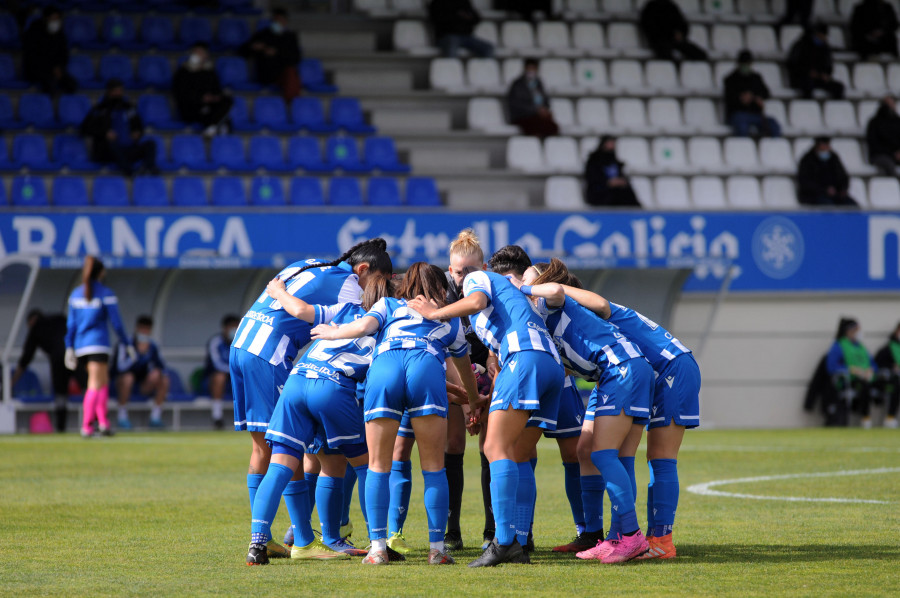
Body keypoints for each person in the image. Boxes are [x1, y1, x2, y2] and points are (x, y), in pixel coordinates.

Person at [230, 238, 392, 560]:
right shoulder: (352, 291)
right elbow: (306, 312)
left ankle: (267, 538)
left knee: (265, 449)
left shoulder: (309, 263)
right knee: (295, 454)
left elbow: (289, 301)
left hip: (243, 343)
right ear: (363, 270)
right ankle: (303, 538)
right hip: (273, 355)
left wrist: (278, 293)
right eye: (378, 282)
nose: (373, 291)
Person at [311, 263, 482, 566]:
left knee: (378, 466)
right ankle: (437, 549)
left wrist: (333, 332)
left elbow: (363, 328)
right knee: (434, 468)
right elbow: (464, 369)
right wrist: (473, 401)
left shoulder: (389, 304)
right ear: (440, 288)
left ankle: (378, 548)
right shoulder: (449, 317)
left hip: (386, 367)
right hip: (426, 367)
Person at [409, 246, 565, 568]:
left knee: (494, 448)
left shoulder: (478, 281)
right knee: (518, 453)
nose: (461, 276)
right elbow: (498, 355)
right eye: (456, 270)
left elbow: (478, 300)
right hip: (549, 365)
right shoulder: (490, 312)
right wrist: (480, 402)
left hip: (525, 358)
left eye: (466, 270)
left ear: (480, 267)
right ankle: (519, 541)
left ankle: (503, 541)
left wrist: (434, 314)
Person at [549, 270, 702, 561]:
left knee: (659, 456)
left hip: (668, 367)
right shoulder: (567, 325)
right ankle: (608, 535)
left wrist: (556, 290)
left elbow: (603, 305)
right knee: (588, 448)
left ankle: (660, 539)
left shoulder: (586, 309)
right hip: (617, 374)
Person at [519, 259, 653, 564]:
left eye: (529, 281)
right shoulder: (544, 317)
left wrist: (522, 287)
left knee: (602, 454)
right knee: (612, 455)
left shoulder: (551, 301)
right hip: (627, 369)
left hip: (621, 370)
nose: (526, 288)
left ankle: (631, 536)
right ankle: (617, 537)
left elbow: (554, 289)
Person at [65, 257, 131, 438]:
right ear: (101, 272)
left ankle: (103, 423)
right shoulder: (106, 293)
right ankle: (87, 425)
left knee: (102, 382)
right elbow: (116, 323)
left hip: (81, 346)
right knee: (95, 384)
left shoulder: (75, 294)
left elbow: (71, 325)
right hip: (98, 344)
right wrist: (126, 342)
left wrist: (69, 347)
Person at [79, 79, 158, 176]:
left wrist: (137, 132)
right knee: (112, 145)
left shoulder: (129, 108)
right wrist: (105, 133)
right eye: (115, 91)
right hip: (107, 151)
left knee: (150, 144)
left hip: (127, 149)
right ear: (109, 92)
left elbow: (139, 126)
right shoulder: (100, 109)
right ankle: (129, 172)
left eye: (120, 91)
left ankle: (148, 168)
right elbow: (85, 129)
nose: (118, 93)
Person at [11, 310, 71, 432]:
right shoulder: (60, 318)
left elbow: (26, 357)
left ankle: (61, 427)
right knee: (89, 387)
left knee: (61, 394)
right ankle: (95, 420)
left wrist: (11, 383)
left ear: (31, 320)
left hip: (58, 359)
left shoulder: (36, 328)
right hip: (74, 354)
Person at [113, 315, 169, 430]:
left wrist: (155, 371)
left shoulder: (152, 346)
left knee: (163, 379)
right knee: (128, 378)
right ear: (137, 328)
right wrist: (137, 354)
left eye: (147, 329)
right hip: (122, 382)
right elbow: (120, 368)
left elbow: (162, 366)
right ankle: (122, 417)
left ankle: (155, 418)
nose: (144, 332)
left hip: (143, 384)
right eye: (142, 329)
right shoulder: (125, 344)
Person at [240, 7, 302, 101]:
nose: (278, 23)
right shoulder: (262, 35)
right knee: (291, 75)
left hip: (283, 72)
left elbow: (296, 58)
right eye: (275, 20)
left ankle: (292, 103)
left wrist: (277, 53)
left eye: (280, 20)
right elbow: (242, 51)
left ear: (285, 22)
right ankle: (292, 105)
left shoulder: (290, 37)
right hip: (267, 72)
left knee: (291, 73)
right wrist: (254, 47)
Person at [172, 43, 233, 137]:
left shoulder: (210, 71)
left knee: (227, 100)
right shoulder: (183, 72)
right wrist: (201, 98)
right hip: (192, 106)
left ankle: (213, 127)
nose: (198, 55)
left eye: (201, 53)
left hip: (209, 106)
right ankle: (215, 126)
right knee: (216, 116)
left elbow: (217, 89)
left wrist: (213, 97)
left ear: (206, 55)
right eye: (196, 52)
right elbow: (181, 93)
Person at [827, 318, 876, 428]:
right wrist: (850, 369)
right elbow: (831, 366)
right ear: (848, 331)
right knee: (864, 386)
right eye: (856, 329)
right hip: (849, 381)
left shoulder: (861, 346)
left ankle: (888, 419)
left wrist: (870, 370)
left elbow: (873, 363)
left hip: (867, 378)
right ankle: (866, 419)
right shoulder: (839, 345)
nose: (859, 332)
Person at [723, 50, 782, 138]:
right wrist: (741, 99)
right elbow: (729, 98)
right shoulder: (731, 79)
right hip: (738, 114)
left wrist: (756, 97)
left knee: (773, 125)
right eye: (744, 63)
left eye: (748, 63)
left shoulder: (756, 78)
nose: (746, 66)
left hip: (756, 114)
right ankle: (745, 149)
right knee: (742, 127)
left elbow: (766, 93)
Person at [22, 6, 77, 95]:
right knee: (50, 85)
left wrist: (59, 68)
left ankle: (67, 105)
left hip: (55, 69)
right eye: (53, 18)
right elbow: (33, 56)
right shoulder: (34, 32)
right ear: (46, 18)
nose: (55, 21)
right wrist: (51, 69)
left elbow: (63, 54)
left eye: (57, 19)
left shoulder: (60, 34)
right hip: (37, 69)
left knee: (71, 85)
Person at [787, 22, 845, 99]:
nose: (823, 38)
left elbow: (828, 64)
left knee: (838, 87)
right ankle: (808, 107)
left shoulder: (825, 48)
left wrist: (825, 74)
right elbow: (792, 64)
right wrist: (807, 72)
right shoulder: (801, 45)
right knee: (807, 86)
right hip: (802, 78)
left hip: (818, 78)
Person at [506, 58, 559, 140]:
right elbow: (516, 104)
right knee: (537, 126)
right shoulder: (517, 84)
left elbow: (546, 101)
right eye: (529, 68)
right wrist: (536, 110)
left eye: (533, 68)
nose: (531, 71)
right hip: (523, 116)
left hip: (538, 116)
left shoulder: (538, 83)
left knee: (553, 127)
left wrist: (544, 109)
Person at [639, 0, 709, 62]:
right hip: (659, 41)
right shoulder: (651, 7)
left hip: (674, 39)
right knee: (666, 54)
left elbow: (682, 24)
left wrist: (680, 33)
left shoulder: (671, 6)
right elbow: (648, 27)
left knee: (699, 54)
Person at [796, 137, 857, 206]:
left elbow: (843, 176)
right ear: (817, 147)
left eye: (827, 147)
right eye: (823, 147)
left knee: (852, 205)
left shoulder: (834, 158)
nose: (825, 149)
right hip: (813, 196)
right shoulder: (807, 160)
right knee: (828, 206)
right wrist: (824, 190)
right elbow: (805, 182)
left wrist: (842, 189)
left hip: (836, 195)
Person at [584, 136, 641, 207]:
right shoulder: (594, 161)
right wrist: (608, 183)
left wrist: (620, 181)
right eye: (610, 143)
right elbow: (592, 179)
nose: (612, 145)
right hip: (600, 192)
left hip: (615, 192)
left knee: (626, 192)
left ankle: (637, 211)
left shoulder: (615, 161)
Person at [205, 314, 239, 430]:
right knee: (220, 377)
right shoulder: (215, 341)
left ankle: (251, 416)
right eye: (231, 327)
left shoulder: (242, 341)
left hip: (234, 377)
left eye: (236, 327)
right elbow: (216, 364)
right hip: (212, 378)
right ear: (224, 328)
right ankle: (217, 417)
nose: (234, 330)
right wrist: (234, 370)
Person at [428, 0, 494, 58]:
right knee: (451, 46)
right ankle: (451, 70)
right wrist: (458, 16)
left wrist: (464, 17)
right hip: (446, 36)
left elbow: (476, 18)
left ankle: (481, 71)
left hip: (466, 36)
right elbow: (438, 20)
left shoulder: (463, 1)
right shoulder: (438, 2)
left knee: (488, 48)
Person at [873, 322, 900, 428]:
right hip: (888, 382)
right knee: (895, 385)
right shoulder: (888, 349)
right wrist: (892, 367)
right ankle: (890, 417)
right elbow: (878, 365)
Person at [866, 96, 900, 176]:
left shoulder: (897, 121)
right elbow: (874, 143)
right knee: (888, 165)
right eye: (888, 104)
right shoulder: (875, 123)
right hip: (880, 155)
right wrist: (893, 153)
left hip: (896, 154)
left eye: (892, 104)